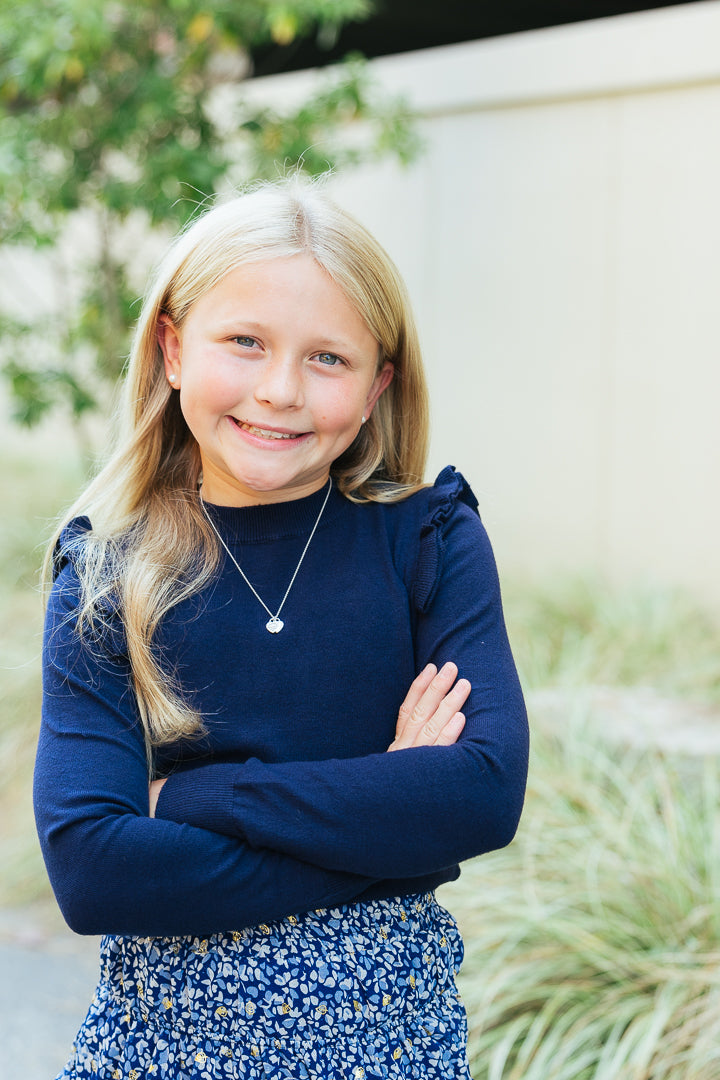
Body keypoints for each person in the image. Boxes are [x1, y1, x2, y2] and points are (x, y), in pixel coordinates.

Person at [34, 178, 529, 1079]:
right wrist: (394, 826)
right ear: (173, 349)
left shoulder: (429, 542)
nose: (279, 390)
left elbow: (482, 796)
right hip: (160, 1055)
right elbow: (94, 870)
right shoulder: (107, 579)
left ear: (378, 385)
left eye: (328, 358)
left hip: (393, 1051)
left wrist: (190, 800)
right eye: (246, 342)